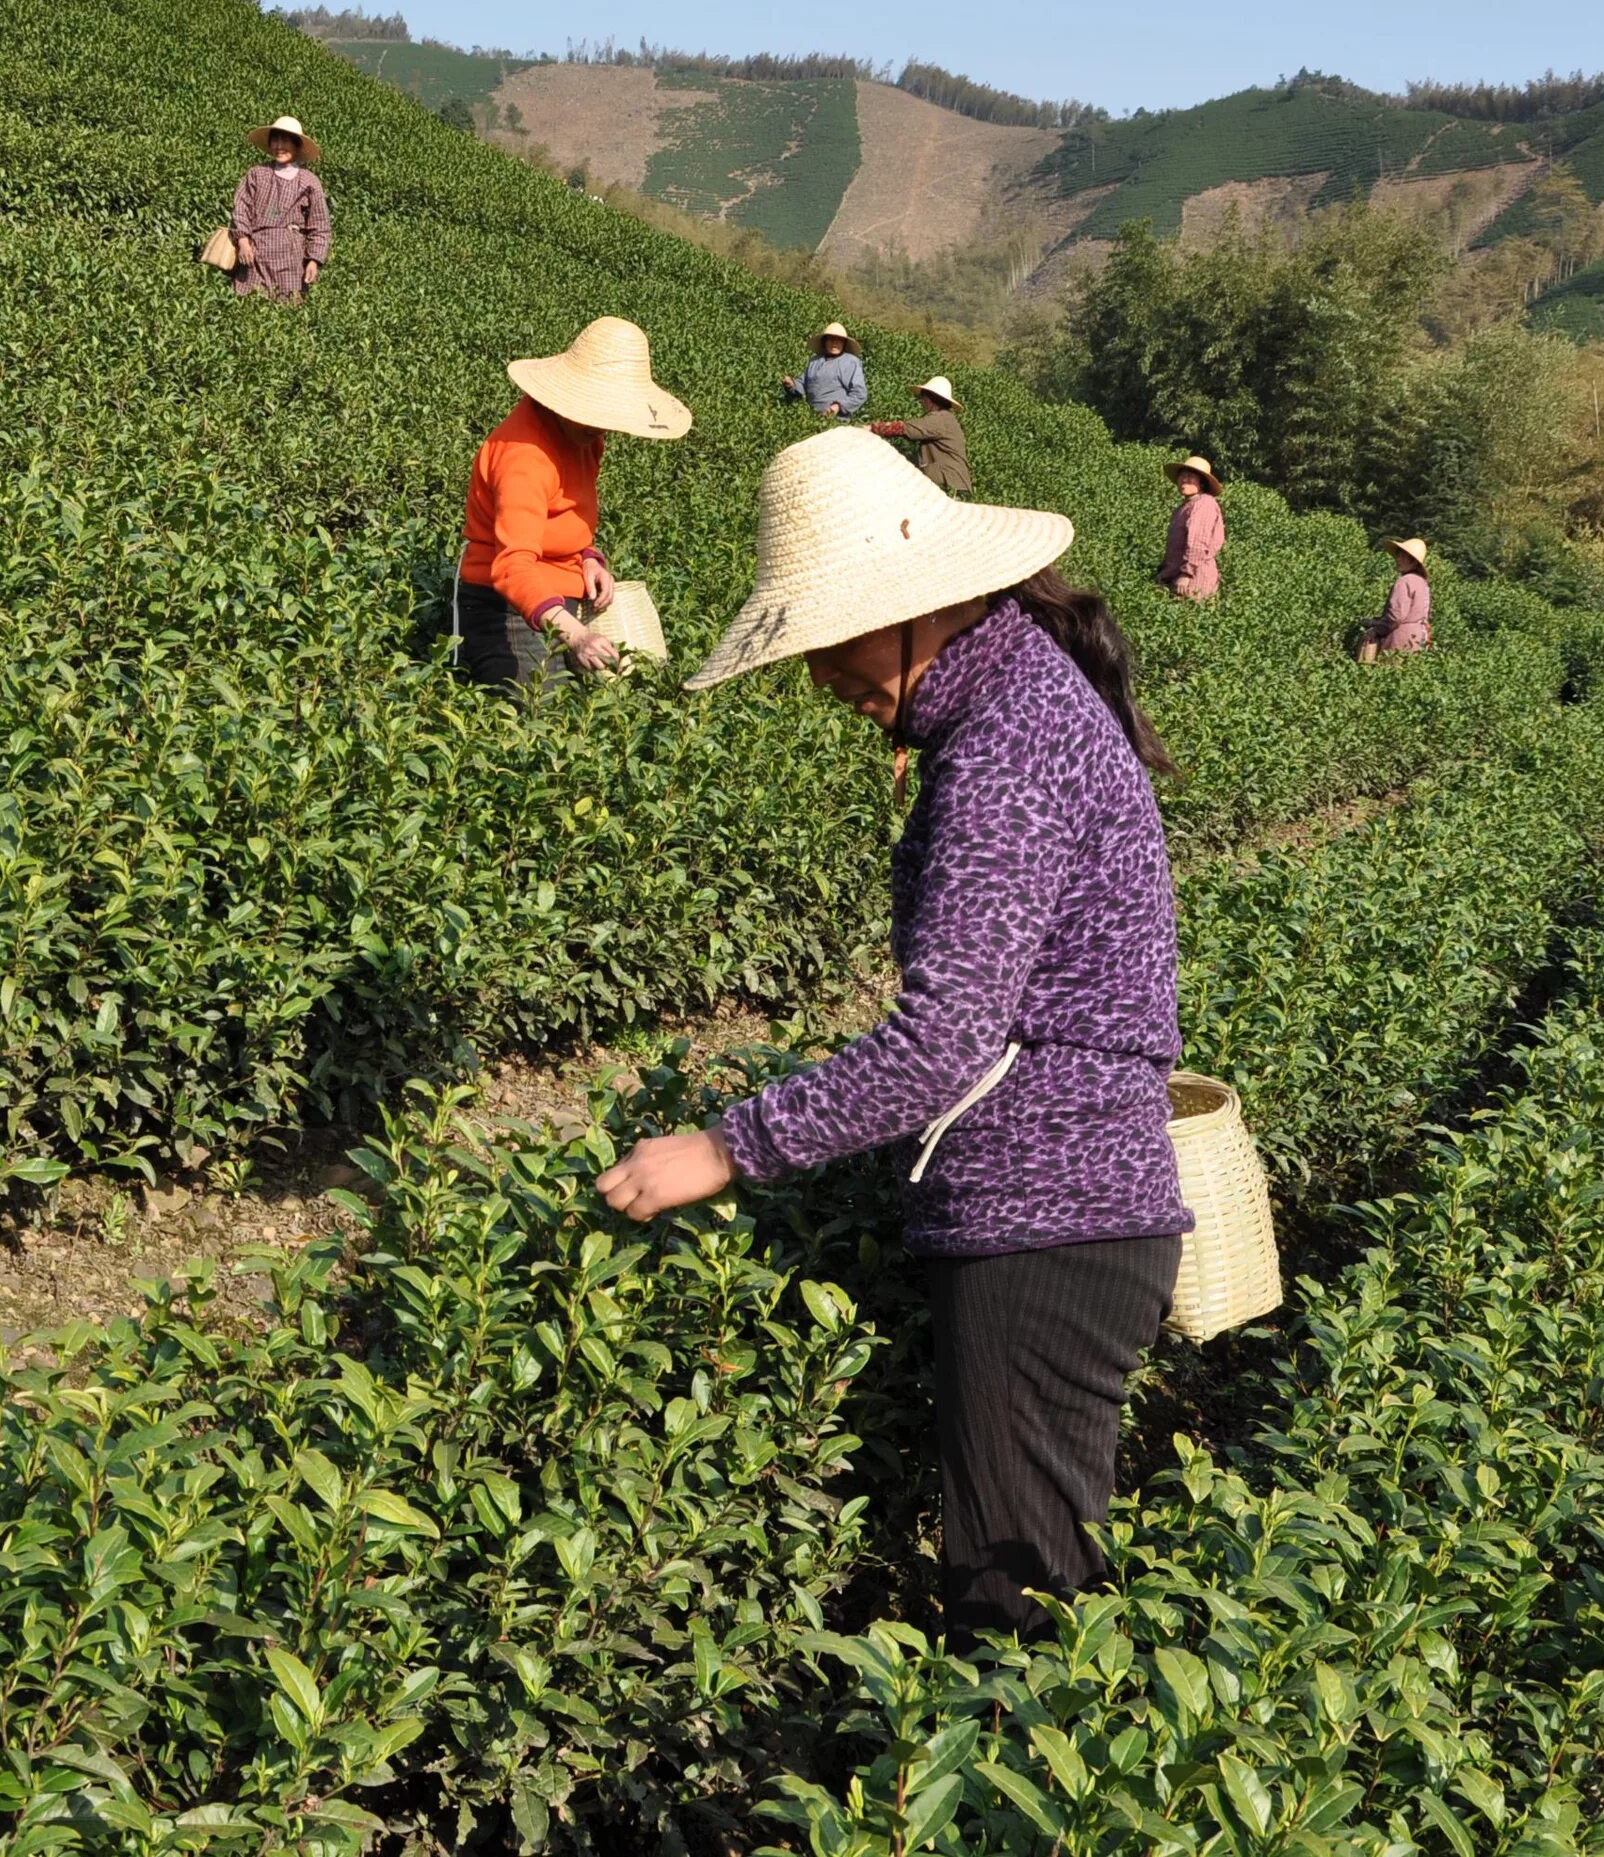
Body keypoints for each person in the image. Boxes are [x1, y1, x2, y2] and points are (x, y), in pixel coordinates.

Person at [598, 427, 1187, 1644]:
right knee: (1029, 1582)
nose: (821, 679)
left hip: (1050, 1224)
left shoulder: (1006, 746)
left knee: (1015, 1611)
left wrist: (728, 1143)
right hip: (1070, 1211)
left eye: (828, 644)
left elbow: (943, 1046)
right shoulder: (1018, 703)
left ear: (921, 609)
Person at [455, 317, 693, 688]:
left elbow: (565, 519)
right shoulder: (524, 457)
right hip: (504, 604)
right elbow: (512, 567)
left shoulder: (584, 438)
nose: (602, 428)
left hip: (560, 598)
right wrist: (577, 635)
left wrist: (587, 559)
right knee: (537, 716)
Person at [231, 117, 332, 301]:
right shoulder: (257, 174)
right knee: (250, 306)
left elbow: (320, 226)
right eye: (275, 140)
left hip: (291, 260)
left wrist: (314, 260)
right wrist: (243, 241)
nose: (279, 146)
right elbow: (240, 208)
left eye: (285, 141)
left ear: (297, 146)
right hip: (255, 255)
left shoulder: (309, 182)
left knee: (286, 310)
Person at [870, 375, 972, 494]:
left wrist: (873, 428)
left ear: (930, 400)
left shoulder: (939, 419)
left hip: (951, 484)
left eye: (923, 398)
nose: (922, 402)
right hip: (954, 483)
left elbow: (906, 428)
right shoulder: (945, 418)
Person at [1157, 455, 1225, 601]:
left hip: (1194, 579)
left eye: (1189, 477)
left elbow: (1198, 542)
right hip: (1175, 576)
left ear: (1201, 483)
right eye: (1181, 476)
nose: (1183, 480)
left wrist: (1186, 574)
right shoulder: (1183, 507)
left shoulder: (1204, 504)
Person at [1359, 538, 1433, 661]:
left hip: (1401, 638)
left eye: (1402, 556)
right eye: (1398, 555)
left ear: (1413, 561)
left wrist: (1376, 630)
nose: (1398, 559)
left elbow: (1396, 616)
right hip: (1418, 638)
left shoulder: (1404, 581)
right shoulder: (1422, 583)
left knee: (1389, 672)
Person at [780, 322, 868, 418]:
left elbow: (860, 393)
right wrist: (792, 384)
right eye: (831, 339)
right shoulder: (815, 361)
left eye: (839, 340)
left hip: (836, 419)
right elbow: (803, 384)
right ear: (824, 342)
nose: (834, 343)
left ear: (844, 343)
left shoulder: (850, 362)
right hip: (811, 417)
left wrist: (838, 406)